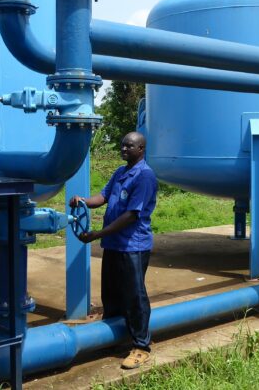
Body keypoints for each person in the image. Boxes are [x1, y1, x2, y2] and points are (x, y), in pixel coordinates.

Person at [69, 131, 158, 369]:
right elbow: (102, 196)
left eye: (129, 146)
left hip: (133, 246)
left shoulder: (145, 176)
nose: (124, 149)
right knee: (111, 295)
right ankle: (114, 338)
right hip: (113, 245)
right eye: (122, 145)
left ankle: (141, 347)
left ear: (141, 149)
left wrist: (97, 234)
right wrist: (83, 200)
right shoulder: (120, 172)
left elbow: (131, 215)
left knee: (134, 297)